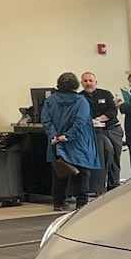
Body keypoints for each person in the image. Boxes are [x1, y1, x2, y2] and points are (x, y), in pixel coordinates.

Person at [42, 72, 100, 212]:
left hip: (57, 143)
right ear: (76, 84)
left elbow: (45, 120)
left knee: (60, 171)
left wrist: (54, 136)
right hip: (78, 142)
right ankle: (81, 203)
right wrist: (68, 136)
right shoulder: (81, 101)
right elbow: (81, 122)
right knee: (82, 172)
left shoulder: (50, 101)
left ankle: (58, 203)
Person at [80, 71, 123, 193]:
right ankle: (100, 185)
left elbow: (112, 111)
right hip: (96, 132)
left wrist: (99, 118)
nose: (88, 83)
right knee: (107, 151)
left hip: (112, 128)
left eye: (90, 80)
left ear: (96, 82)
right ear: (81, 83)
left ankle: (113, 185)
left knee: (115, 157)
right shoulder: (80, 97)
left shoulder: (106, 94)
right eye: (85, 81)